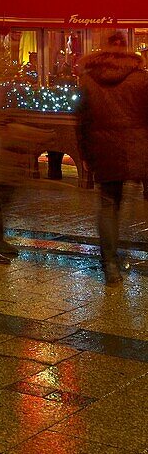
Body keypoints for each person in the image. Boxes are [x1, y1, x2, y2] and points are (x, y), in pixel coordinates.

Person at [78, 32, 148, 284]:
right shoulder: (141, 78)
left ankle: (110, 265)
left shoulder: (88, 79)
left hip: (104, 150)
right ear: (126, 49)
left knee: (109, 205)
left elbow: (83, 121)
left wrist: (85, 153)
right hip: (139, 148)